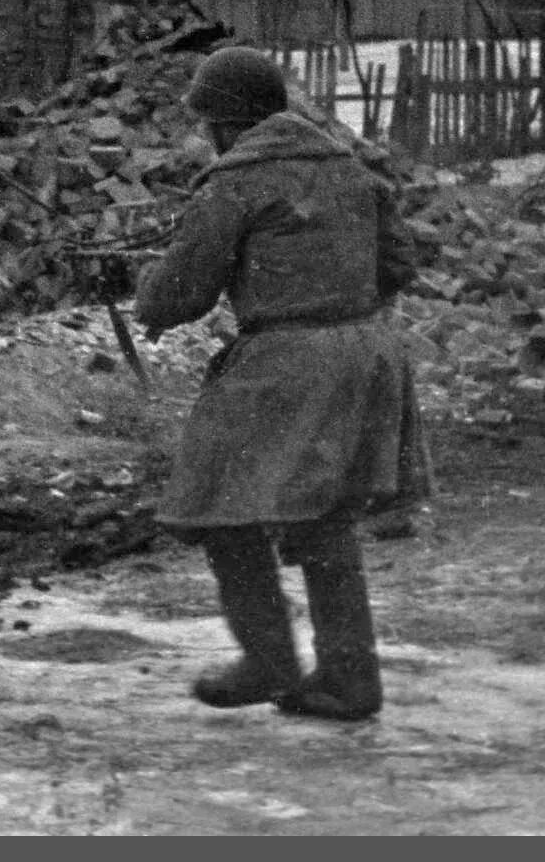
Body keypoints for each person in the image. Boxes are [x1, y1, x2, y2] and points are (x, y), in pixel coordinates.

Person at [134, 45, 428, 721]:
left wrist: (145, 294)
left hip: (291, 360)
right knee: (325, 517)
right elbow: (400, 261)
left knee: (216, 501)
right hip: (369, 352)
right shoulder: (350, 167)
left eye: (207, 121)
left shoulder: (234, 182)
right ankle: (349, 679)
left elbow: (182, 291)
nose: (205, 133)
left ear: (227, 122)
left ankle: (267, 660)